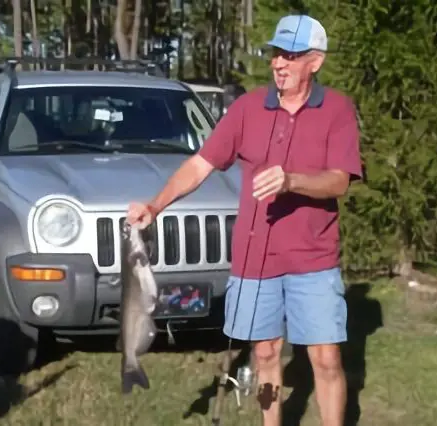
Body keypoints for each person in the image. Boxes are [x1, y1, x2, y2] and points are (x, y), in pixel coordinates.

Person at [127, 14, 363, 426]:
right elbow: (201, 164)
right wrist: (156, 204)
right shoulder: (248, 108)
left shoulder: (337, 110)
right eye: (276, 53)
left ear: (315, 61)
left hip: (314, 259)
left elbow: (339, 181)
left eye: (290, 54)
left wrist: (292, 181)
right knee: (266, 352)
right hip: (255, 262)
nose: (279, 63)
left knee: (325, 359)